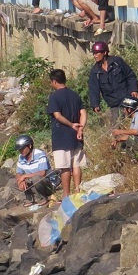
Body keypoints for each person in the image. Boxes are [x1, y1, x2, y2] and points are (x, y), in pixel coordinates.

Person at [46, 69, 87, 198]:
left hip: (61, 136)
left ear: (54, 81)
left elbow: (57, 116)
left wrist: (71, 125)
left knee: (64, 167)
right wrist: (80, 128)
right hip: (76, 137)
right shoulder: (75, 95)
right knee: (76, 165)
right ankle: (78, 191)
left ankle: (66, 195)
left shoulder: (54, 96)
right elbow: (83, 113)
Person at [87, 40, 138, 122]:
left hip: (127, 97)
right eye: (94, 53)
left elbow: (130, 75)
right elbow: (93, 89)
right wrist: (95, 104)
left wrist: (134, 89)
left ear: (104, 52)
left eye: (97, 53)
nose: (95, 55)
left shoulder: (117, 62)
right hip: (115, 104)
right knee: (116, 124)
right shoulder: (95, 72)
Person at [14, 134, 53, 207]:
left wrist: (25, 176)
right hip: (33, 183)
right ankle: (28, 199)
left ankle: (42, 198)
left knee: (36, 178)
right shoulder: (21, 157)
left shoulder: (39, 154)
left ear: (29, 146)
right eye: (19, 149)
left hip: (46, 184)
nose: (20, 151)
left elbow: (42, 173)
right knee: (11, 182)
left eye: (22, 148)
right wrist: (21, 180)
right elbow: (18, 173)